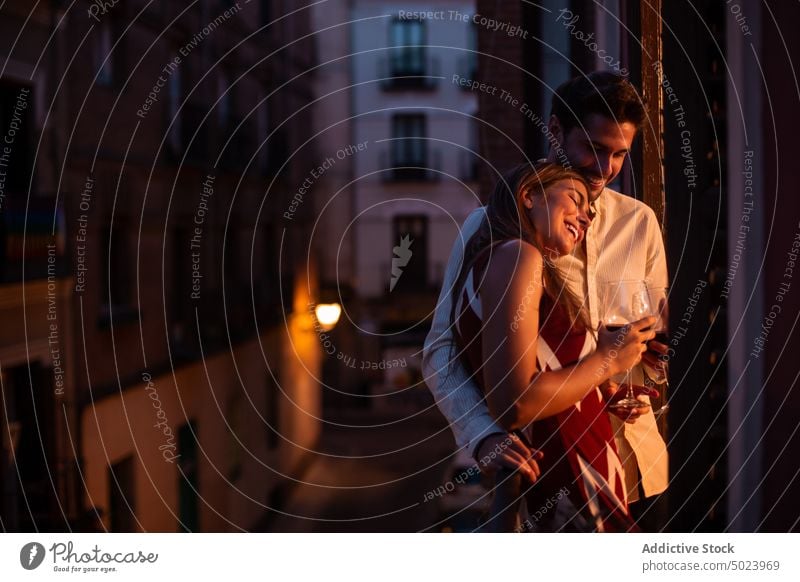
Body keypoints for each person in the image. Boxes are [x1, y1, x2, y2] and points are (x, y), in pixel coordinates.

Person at [423, 71, 670, 529]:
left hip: (636, 467)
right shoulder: (490, 228)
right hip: (542, 468)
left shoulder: (641, 223)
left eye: (619, 154)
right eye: (594, 148)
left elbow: (654, 335)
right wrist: (481, 435)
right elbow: (440, 350)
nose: (605, 169)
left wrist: (643, 373)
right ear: (555, 131)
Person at [450, 161, 654, 531]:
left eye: (590, 211)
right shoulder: (518, 256)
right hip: (572, 477)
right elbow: (515, 402)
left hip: (576, 469)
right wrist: (608, 360)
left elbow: (530, 372)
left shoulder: (501, 260)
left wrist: (594, 391)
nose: (586, 218)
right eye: (575, 200)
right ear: (528, 196)